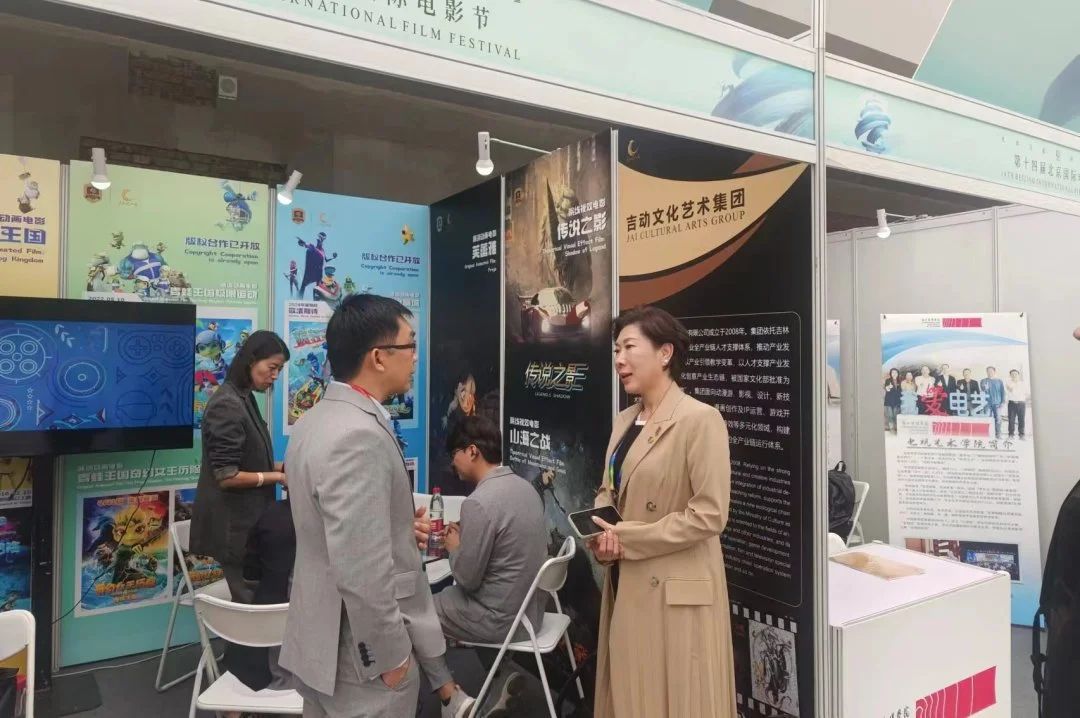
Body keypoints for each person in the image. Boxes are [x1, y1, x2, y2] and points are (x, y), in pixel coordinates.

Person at [280, 294, 474, 718]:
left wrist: (398, 526)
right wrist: (390, 658)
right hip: (358, 653)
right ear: (379, 357)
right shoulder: (358, 436)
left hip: (320, 636)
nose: (416, 357)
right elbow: (360, 568)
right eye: (410, 345)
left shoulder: (314, 420)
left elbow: (337, 530)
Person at [588, 306, 736, 718]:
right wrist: (600, 531)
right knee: (632, 696)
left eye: (629, 347)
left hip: (674, 595)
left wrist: (627, 538)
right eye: (616, 350)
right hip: (627, 580)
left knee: (674, 700)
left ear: (665, 353)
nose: (619, 360)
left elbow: (710, 514)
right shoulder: (625, 420)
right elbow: (608, 488)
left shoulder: (700, 420)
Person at [191, 330, 289, 602]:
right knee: (250, 606)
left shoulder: (243, 397)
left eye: (279, 370)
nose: (275, 376)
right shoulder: (227, 404)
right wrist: (277, 478)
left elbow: (250, 458)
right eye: (272, 367)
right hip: (234, 529)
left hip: (250, 526)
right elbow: (227, 475)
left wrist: (285, 467)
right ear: (251, 361)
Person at [436, 415, 548, 646]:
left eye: (454, 454)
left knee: (419, 612)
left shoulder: (478, 502)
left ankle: (440, 672)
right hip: (530, 616)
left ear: (472, 451)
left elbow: (467, 579)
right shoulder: (526, 488)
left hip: (497, 622)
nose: (452, 462)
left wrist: (454, 547)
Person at [229, 498, 296, 691]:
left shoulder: (270, 515)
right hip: (309, 679)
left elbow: (250, 572)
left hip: (250, 664)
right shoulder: (327, 521)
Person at [981, 366, 1006, 438]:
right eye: (988, 371)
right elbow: (982, 389)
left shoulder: (999, 381)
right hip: (987, 404)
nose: (989, 372)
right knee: (987, 419)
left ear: (994, 372)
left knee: (998, 419)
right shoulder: (983, 380)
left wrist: (1003, 402)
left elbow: (1002, 392)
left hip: (997, 403)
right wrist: (985, 387)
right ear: (986, 372)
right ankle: (987, 434)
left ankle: (998, 434)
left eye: (991, 371)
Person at [1006, 369, 1028, 439]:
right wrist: (1015, 390)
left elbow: (1025, 393)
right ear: (1010, 375)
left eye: (1015, 374)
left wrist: (1014, 390)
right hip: (1012, 403)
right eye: (1012, 374)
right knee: (1011, 420)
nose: (1014, 375)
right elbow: (1011, 391)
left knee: (1021, 419)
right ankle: (1011, 435)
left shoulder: (1023, 383)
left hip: (1021, 404)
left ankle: (1021, 435)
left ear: (1018, 375)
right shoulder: (1008, 383)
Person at [883, 368, 902, 432]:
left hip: (897, 401)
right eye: (892, 372)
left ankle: (896, 428)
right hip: (889, 401)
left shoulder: (900, 381)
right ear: (891, 374)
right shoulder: (888, 380)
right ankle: (891, 428)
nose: (894, 374)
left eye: (895, 372)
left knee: (896, 415)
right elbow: (887, 389)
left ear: (898, 373)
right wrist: (889, 387)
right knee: (890, 415)